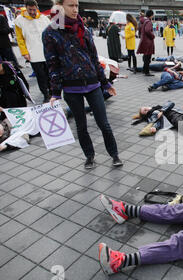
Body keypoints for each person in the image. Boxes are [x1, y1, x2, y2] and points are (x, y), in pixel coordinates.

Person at [43, 0, 122, 169]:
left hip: (93, 84)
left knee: (104, 123)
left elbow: (94, 58)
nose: (75, 9)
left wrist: (106, 83)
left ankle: (114, 154)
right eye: (71, 5)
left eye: (77, 5)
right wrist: (55, 93)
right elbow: (52, 64)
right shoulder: (50, 32)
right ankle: (89, 156)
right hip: (71, 87)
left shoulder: (83, 29)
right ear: (60, 6)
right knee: (81, 125)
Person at [14, 0, 51, 103]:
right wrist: (24, 52)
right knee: (40, 75)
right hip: (33, 53)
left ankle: (52, 91)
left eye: (34, 10)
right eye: (30, 10)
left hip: (46, 52)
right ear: (26, 8)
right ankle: (45, 93)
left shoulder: (44, 19)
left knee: (49, 74)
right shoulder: (19, 20)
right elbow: (19, 38)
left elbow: (50, 34)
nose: (32, 12)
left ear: (37, 8)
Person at [0, 50, 33, 120]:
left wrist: (26, 94)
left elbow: (23, 83)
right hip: (3, 103)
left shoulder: (12, 67)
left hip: (19, 99)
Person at [137, 10, 155, 77]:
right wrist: (152, 36)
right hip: (148, 42)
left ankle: (144, 70)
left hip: (144, 40)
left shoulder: (144, 21)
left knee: (145, 56)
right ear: (151, 15)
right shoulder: (149, 22)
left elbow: (141, 29)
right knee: (148, 57)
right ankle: (147, 71)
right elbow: (148, 30)